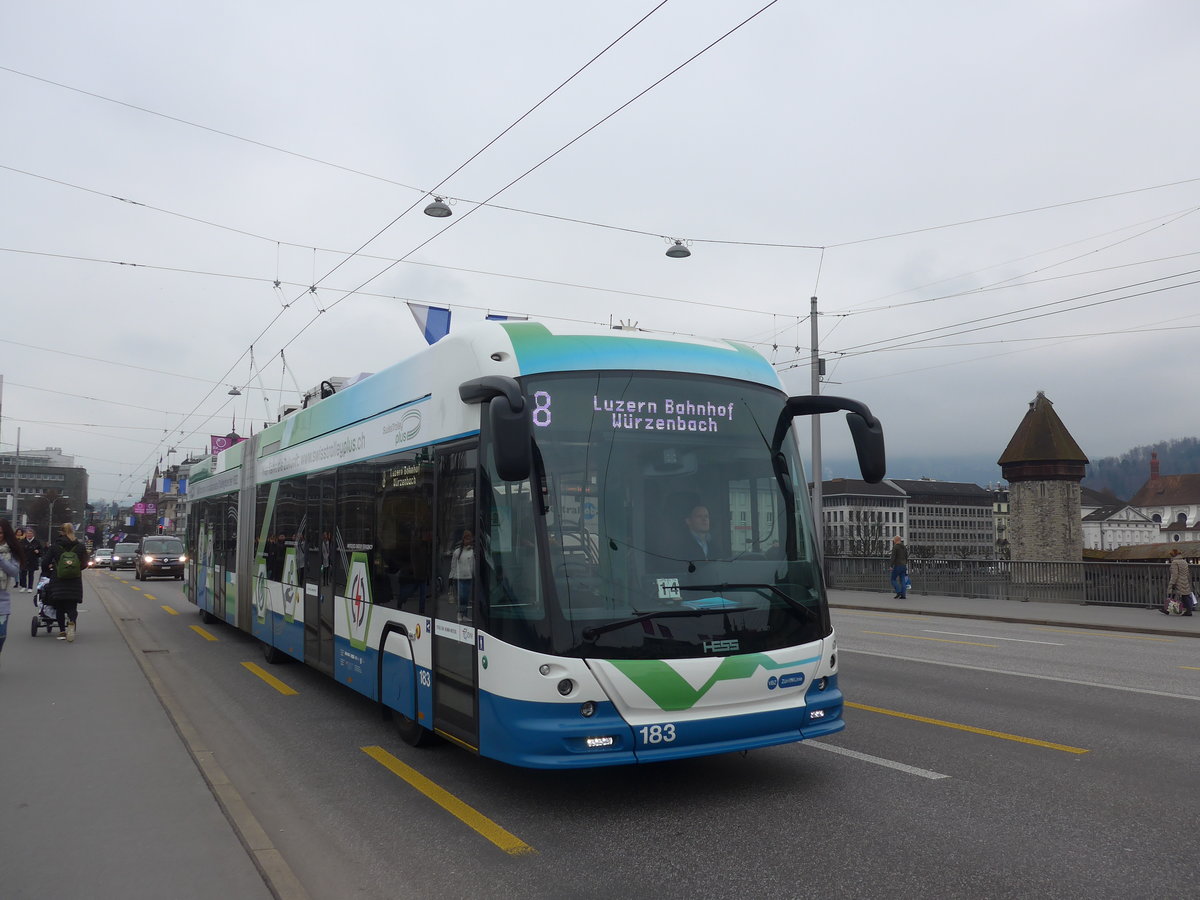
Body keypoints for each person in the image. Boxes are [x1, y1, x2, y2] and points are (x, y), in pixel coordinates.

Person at [42, 522, 89, 642]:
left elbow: (45, 562)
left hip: (58, 579)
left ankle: (62, 631)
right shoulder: (80, 546)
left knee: (60, 607)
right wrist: (76, 570)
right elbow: (85, 563)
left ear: (61, 532)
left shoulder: (55, 546)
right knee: (72, 606)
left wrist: (49, 572)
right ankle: (72, 623)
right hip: (74, 581)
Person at [0, 519, 27, 664]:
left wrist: (1, 560)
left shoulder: (12, 551)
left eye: (1, 533)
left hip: (2, 601)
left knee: (1, 635)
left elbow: (13, 571)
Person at [449, 530, 474, 621]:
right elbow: (453, 565)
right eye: (466, 539)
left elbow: (473, 565)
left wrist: (473, 574)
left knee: (466, 598)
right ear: (463, 540)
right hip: (459, 578)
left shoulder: (472, 552)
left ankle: (464, 615)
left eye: (469, 539)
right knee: (461, 597)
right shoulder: (457, 552)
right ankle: (460, 614)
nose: (468, 541)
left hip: (468, 577)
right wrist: (451, 577)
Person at [1163, 547, 1193, 616]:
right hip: (1185, 580)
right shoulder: (1184, 561)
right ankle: (1189, 610)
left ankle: (1167, 609)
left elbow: (1174, 574)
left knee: (1171, 594)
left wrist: (1173, 583)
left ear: (1173, 555)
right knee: (1185, 595)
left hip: (1178, 581)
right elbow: (1187, 572)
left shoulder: (1174, 562)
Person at [19, 525, 43, 593]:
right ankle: (23, 586)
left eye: (30, 533)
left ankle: (30, 587)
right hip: (24, 559)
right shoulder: (22, 541)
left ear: (33, 534)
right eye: (28, 533)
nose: (29, 535)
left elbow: (41, 551)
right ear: (25, 534)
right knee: (23, 573)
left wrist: (38, 551)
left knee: (31, 574)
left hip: (32, 560)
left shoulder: (37, 542)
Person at [890, 535, 909, 599]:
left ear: (896, 540)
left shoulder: (895, 547)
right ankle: (903, 595)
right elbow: (906, 556)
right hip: (904, 565)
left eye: (894, 540)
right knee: (903, 580)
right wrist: (905, 563)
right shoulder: (904, 547)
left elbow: (893, 557)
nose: (893, 541)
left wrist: (891, 565)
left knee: (893, 579)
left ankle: (898, 591)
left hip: (897, 565)